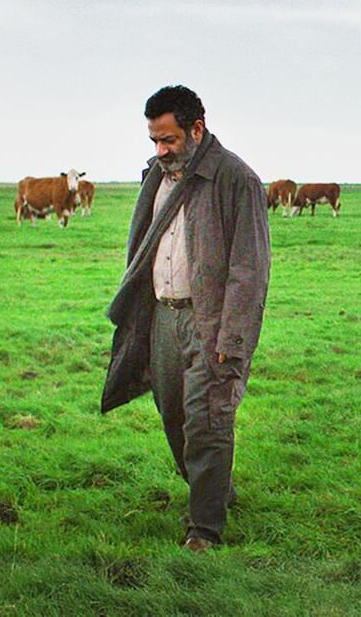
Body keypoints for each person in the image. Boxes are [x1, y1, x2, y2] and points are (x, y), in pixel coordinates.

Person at [102, 85, 270, 551]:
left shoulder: (237, 180)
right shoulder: (155, 178)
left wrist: (231, 336)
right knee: (173, 417)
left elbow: (249, 269)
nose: (161, 151)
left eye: (169, 140)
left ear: (197, 129)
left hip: (209, 321)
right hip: (162, 318)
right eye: (154, 141)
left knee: (207, 420)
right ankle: (215, 490)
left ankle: (205, 530)